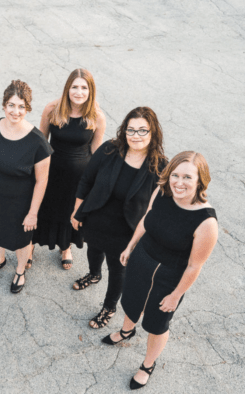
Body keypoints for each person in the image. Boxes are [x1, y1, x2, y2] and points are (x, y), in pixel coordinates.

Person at [102, 151, 218, 390]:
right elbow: (146, 218)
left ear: (200, 181)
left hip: (169, 276)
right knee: (131, 301)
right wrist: (130, 245)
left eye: (187, 177)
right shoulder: (162, 191)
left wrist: (176, 295)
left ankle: (147, 365)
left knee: (157, 323)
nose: (178, 182)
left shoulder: (206, 222)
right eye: (175, 175)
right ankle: (126, 331)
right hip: (141, 259)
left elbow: (195, 265)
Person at [71, 107, 167, 328]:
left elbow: (159, 208)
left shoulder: (160, 167)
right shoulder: (109, 150)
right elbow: (86, 180)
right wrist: (77, 210)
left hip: (127, 229)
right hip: (96, 218)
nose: (136, 135)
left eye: (142, 131)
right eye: (131, 130)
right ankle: (94, 275)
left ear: (152, 133)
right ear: (124, 130)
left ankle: (109, 307)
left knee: (117, 269)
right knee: (93, 249)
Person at [0, 80, 53, 293]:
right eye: (11, 105)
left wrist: (33, 213)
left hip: (22, 200)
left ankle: (19, 270)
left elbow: (42, 180)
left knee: (22, 238)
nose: (15, 111)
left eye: (21, 107)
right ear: (4, 105)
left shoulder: (38, 142)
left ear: (27, 108)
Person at [33, 68, 106, 270]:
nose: (79, 92)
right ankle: (30, 244)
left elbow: (95, 151)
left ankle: (65, 247)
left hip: (79, 176)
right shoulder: (52, 109)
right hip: (52, 171)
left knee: (69, 211)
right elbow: (41, 142)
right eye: (75, 87)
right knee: (43, 207)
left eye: (84, 88)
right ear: (67, 88)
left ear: (91, 91)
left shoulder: (96, 116)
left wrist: (94, 182)